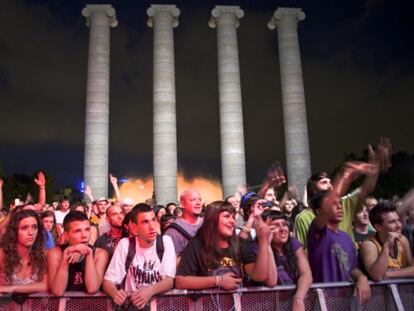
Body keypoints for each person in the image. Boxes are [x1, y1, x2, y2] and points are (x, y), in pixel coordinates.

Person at [175, 201, 276, 290]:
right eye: (227, 216)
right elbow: (180, 281)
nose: (232, 221)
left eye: (233, 217)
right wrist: (218, 281)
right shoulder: (196, 244)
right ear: (212, 220)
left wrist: (263, 241)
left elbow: (258, 276)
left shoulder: (239, 244)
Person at [103, 203, 176, 310]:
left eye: (153, 220)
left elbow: (169, 281)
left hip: (159, 307)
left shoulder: (165, 242)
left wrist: (150, 291)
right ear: (134, 226)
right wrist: (116, 294)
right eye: (145, 222)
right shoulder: (125, 244)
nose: (152, 226)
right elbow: (108, 281)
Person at [307, 190, 371, 304]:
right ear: (318, 211)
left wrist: (362, 277)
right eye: (332, 204)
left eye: (339, 204)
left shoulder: (346, 237)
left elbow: (351, 268)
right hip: (321, 301)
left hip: (344, 301)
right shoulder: (317, 233)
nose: (339, 207)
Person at [243, 210, 312, 311]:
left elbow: (306, 274)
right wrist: (266, 242)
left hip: (292, 304)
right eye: (275, 226)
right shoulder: (254, 248)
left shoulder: (293, 243)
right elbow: (271, 282)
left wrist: (298, 298)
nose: (282, 229)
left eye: (284, 224)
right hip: (265, 305)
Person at [47, 211, 108, 295]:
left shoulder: (100, 254)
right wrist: (65, 255)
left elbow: (92, 288)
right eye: (78, 231)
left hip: (91, 306)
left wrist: (89, 253)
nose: (84, 235)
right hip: (64, 306)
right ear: (66, 235)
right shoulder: (55, 253)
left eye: (87, 229)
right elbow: (58, 291)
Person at [360, 201, 414, 281]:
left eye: (398, 220)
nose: (399, 225)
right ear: (378, 227)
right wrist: (387, 245)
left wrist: (389, 274)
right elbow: (377, 275)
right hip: (380, 293)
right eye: (392, 222)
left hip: (402, 292)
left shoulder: (402, 240)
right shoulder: (369, 244)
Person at [0, 210, 48, 294]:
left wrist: (11, 289)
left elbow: (46, 285)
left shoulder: (44, 254)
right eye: (24, 228)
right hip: (8, 306)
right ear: (14, 231)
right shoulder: (3, 254)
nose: (31, 233)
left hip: (37, 306)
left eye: (34, 227)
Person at [164, 189, 203, 260]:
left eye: (200, 199)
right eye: (193, 200)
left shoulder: (208, 223)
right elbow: (173, 261)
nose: (198, 203)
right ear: (182, 204)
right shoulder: (173, 230)